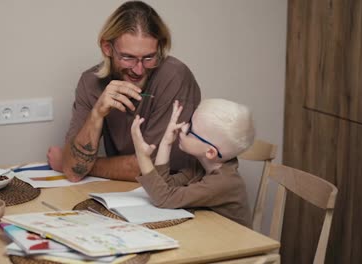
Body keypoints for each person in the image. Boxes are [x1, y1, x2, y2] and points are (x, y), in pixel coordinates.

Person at [47, 1, 201, 182]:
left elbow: (152, 170)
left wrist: (83, 165)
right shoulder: (90, 82)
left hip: (181, 195)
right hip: (125, 195)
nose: (139, 70)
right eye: (128, 57)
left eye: (149, 57)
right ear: (107, 48)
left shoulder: (174, 76)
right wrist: (97, 114)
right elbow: (74, 172)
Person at [130, 99, 255, 227]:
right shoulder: (202, 166)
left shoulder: (223, 182)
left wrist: (142, 156)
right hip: (211, 232)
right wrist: (166, 143)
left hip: (235, 241)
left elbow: (164, 199)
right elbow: (166, 186)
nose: (183, 127)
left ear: (210, 152)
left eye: (190, 129)